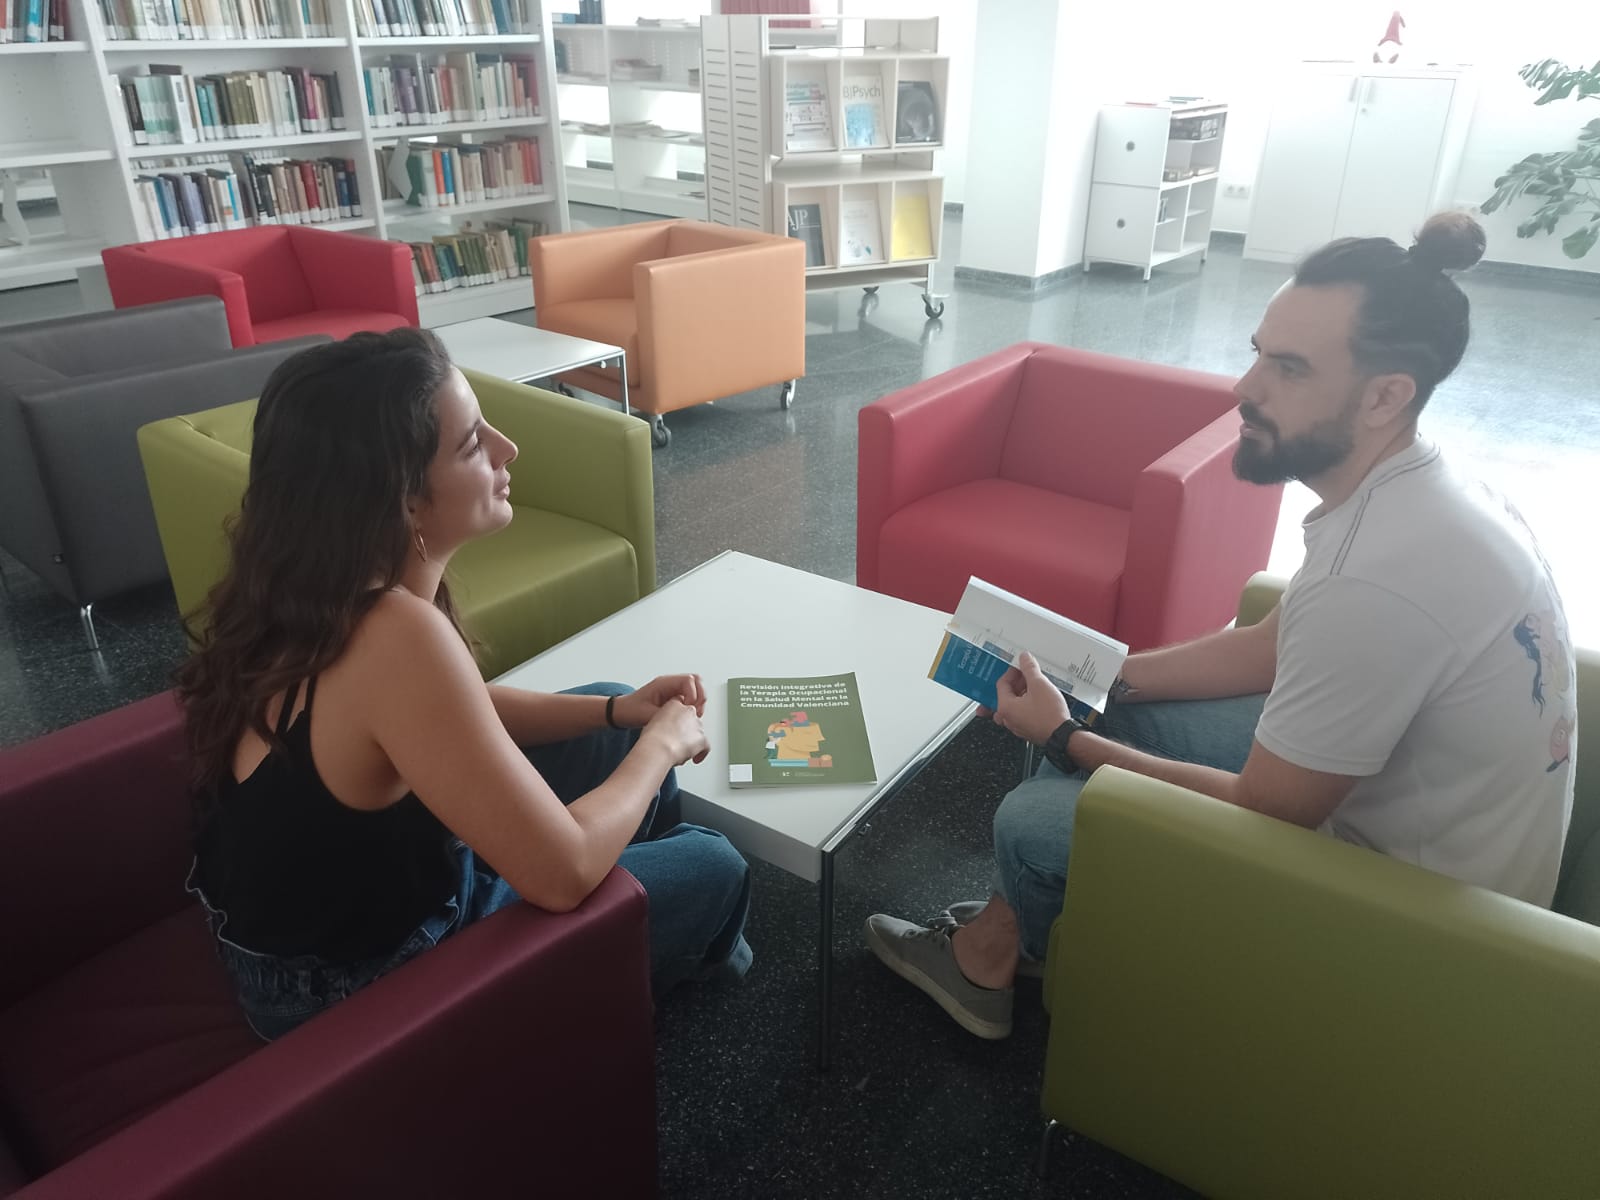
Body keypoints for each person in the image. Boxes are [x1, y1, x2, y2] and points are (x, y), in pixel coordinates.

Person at [865, 212, 1578, 1041]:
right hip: (1412, 819)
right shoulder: (1415, 493)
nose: (1245, 387)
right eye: (1257, 350)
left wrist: (1064, 738)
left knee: (1030, 822)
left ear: (1387, 396)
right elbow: (1276, 644)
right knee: (1104, 704)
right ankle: (1004, 940)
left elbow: (1270, 810)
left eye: (1288, 368)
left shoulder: (1379, 575)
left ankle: (999, 949)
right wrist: (1103, 674)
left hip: (1421, 921)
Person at [178, 327, 752, 1040]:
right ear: (405, 501)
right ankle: (656, 959)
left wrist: (615, 712)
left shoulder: (307, 591)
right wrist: (660, 745)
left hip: (300, 937)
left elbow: (450, 715)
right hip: (347, 988)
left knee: (614, 722)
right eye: (473, 444)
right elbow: (564, 870)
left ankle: (635, 920)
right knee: (714, 862)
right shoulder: (393, 633)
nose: (507, 449)